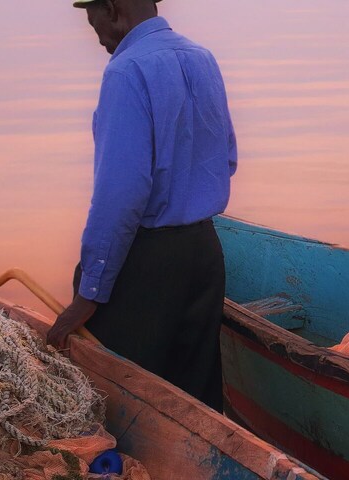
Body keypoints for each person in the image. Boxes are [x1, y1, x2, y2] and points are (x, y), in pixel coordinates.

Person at [46, 0, 236, 409]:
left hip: (147, 264)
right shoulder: (202, 58)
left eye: (89, 14)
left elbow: (122, 195)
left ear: (112, 9)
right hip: (204, 256)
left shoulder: (126, 71)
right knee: (195, 405)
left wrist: (89, 294)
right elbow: (228, 158)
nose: (93, 30)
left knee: (121, 401)